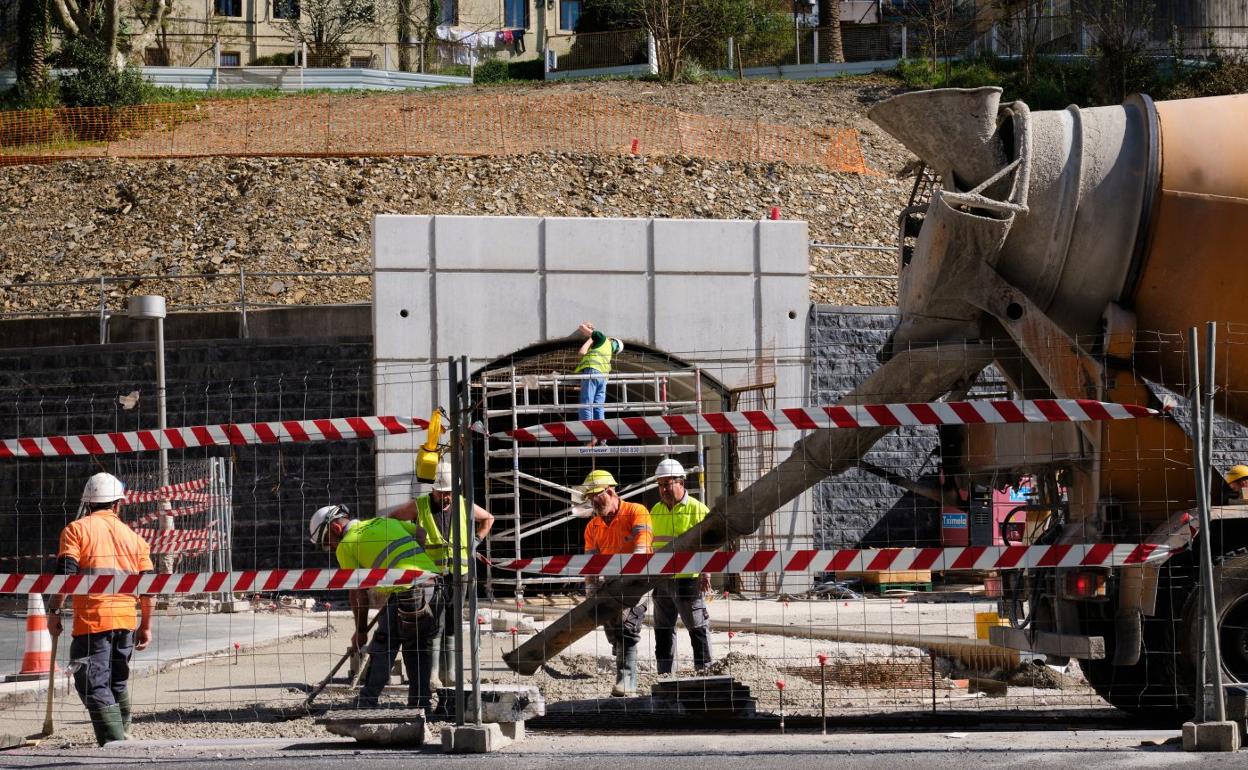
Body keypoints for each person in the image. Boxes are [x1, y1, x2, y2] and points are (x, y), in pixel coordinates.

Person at [47, 472, 154, 746]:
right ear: (117, 504)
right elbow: (150, 588)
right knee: (116, 682)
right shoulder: (135, 538)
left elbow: (66, 575)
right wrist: (146, 626)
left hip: (92, 623)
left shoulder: (76, 529)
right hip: (125, 622)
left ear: (88, 502)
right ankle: (124, 734)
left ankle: (115, 743)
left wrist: (55, 611)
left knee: (91, 684)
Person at [309, 503, 440, 710]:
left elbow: (358, 593)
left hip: (407, 591)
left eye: (328, 542)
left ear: (335, 528)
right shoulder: (383, 521)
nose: (331, 548)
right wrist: (411, 567)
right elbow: (421, 533)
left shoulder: (346, 545)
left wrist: (360, 631)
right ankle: (420, 703)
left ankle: (367, 701)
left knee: (384, 644)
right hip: (433, 585)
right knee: (417, 647)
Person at [382, 459, 494, 691]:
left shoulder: (463, 504)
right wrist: (409, 538)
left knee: (453, 623)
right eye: (442, 493)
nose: (446, 497)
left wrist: (476, 540)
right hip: (431, 576)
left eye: (449, 493)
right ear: (433, 490)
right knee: (433, 623)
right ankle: (432, 675)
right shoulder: (420, 505)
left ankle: (449, 673)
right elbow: (391, 519)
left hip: (459, 574)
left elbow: (488, 518)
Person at [580, 469, 652, 696]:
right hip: (611, 583)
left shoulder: (636, 512)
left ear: (610, 491)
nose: (593, 503)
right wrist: (591, 593)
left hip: (639, 578)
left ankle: (627, 681)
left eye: (596, 497)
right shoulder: (593, 526)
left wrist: (630, 579)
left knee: (628, 627)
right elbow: (591, 563)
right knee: (613, 629)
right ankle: (621, 657)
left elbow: (641, 548)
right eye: (590, 499)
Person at [648, 458, 713, 674]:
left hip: (688, 579)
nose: (664, 489)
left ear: (681, 482)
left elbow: (709, 544)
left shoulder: (697, 509)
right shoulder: (655, 510)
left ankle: (704, 671)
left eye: (668, 484)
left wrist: (706, 572)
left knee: (697, 628)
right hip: (662, 579)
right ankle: (665, 674)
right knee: (663, 631)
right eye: (660, 485)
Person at [574, 322, 623, 424]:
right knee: (598, 406)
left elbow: (582, 327)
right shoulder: (608, 354)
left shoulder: (602, 338)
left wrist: (587, 327)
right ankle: (601, 436)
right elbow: (582, 353)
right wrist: (590, 338)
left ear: (611, 340)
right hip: (603, 379)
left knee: (587, 403)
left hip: (592, 372)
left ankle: (588, 435)